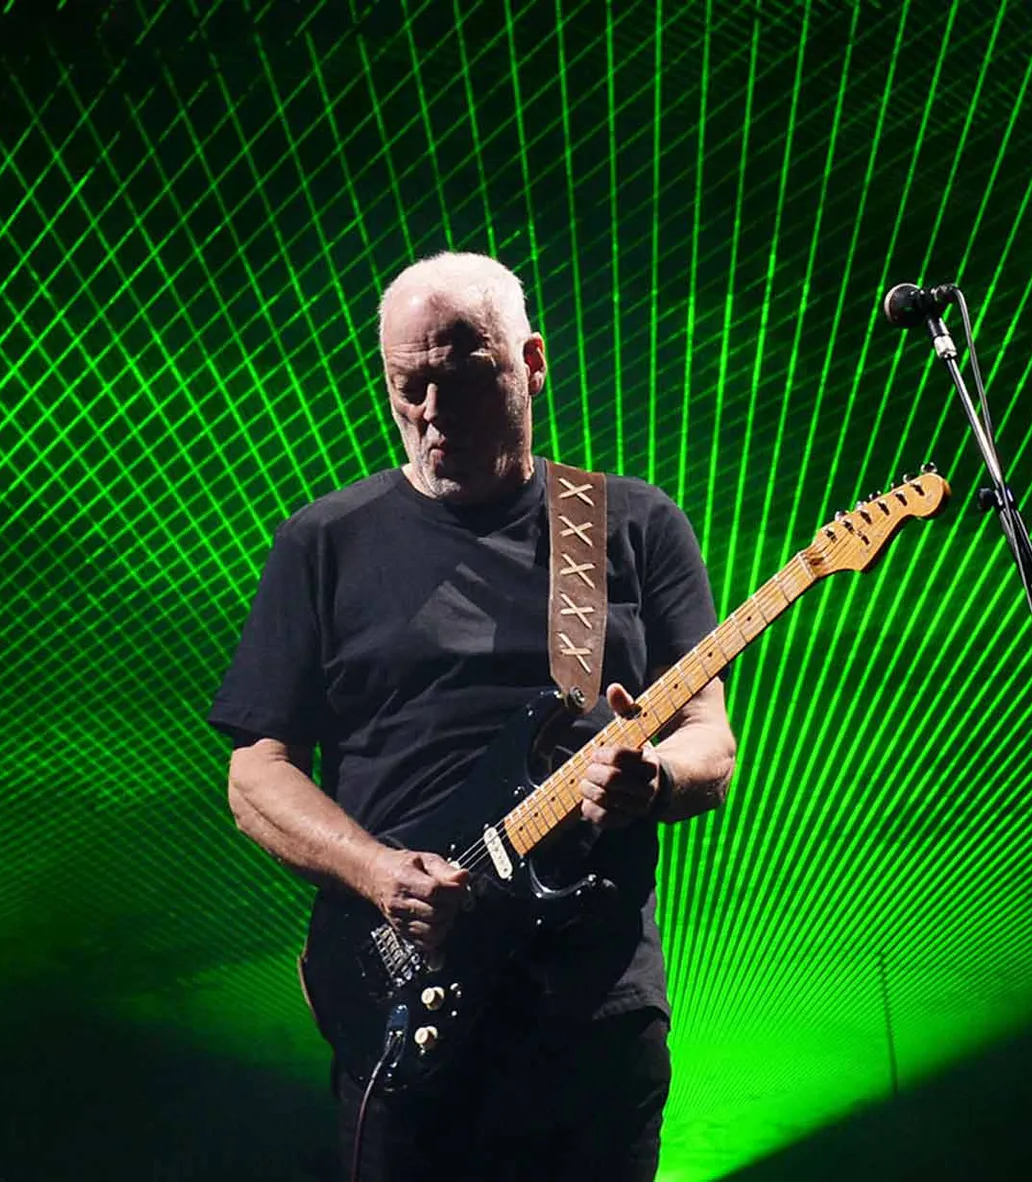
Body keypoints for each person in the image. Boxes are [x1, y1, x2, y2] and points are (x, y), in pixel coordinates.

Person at [207, 251, 737, 1181]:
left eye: (459, 380)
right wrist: (377, 873)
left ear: (531, 364)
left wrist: (656, 780)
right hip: (406, 1002)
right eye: (405, 386)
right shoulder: (324, 541)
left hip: (590, 1010)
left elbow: (708, 738)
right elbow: (256, 775)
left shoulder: (630, 524)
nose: (431, 414)